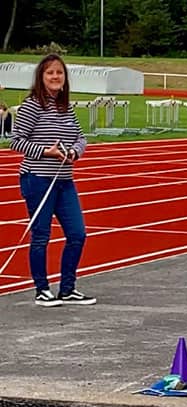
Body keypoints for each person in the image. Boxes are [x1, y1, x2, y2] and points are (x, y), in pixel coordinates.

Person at [10, 53, 95, 307]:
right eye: (50, 73)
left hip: (64, 179)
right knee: (41, 235)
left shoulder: (66, 106)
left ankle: (67, 288)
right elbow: (16, 140)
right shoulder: (32, 105)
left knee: (78, 234)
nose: (55, 77)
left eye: (59, 72)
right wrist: (46, 151)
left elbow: (80, 137)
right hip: (37, 178)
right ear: (41, 77)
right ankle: (42, 289)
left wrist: (73, 152)